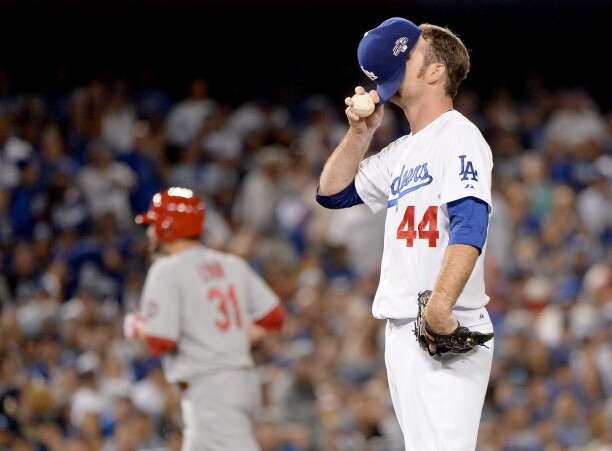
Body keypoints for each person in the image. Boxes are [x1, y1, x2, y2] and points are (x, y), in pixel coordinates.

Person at [315, 17, 495, 450]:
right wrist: (361, 134)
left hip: (444, 325)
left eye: (409, 55)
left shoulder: (460, 136)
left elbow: (471, 224)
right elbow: (332, 193)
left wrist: (440, 307)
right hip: (403, 329)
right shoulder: (402, 151)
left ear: (436, 71)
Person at [123, 187, 286, 451]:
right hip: (237, 382)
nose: (150, 233)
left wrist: (137, 326)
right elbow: (274, 317)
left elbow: (160, 340)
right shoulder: (231, 264)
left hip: (212, 389)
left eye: (154, 225)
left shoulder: (166, 269)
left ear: (167, 228)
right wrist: (231, 337)